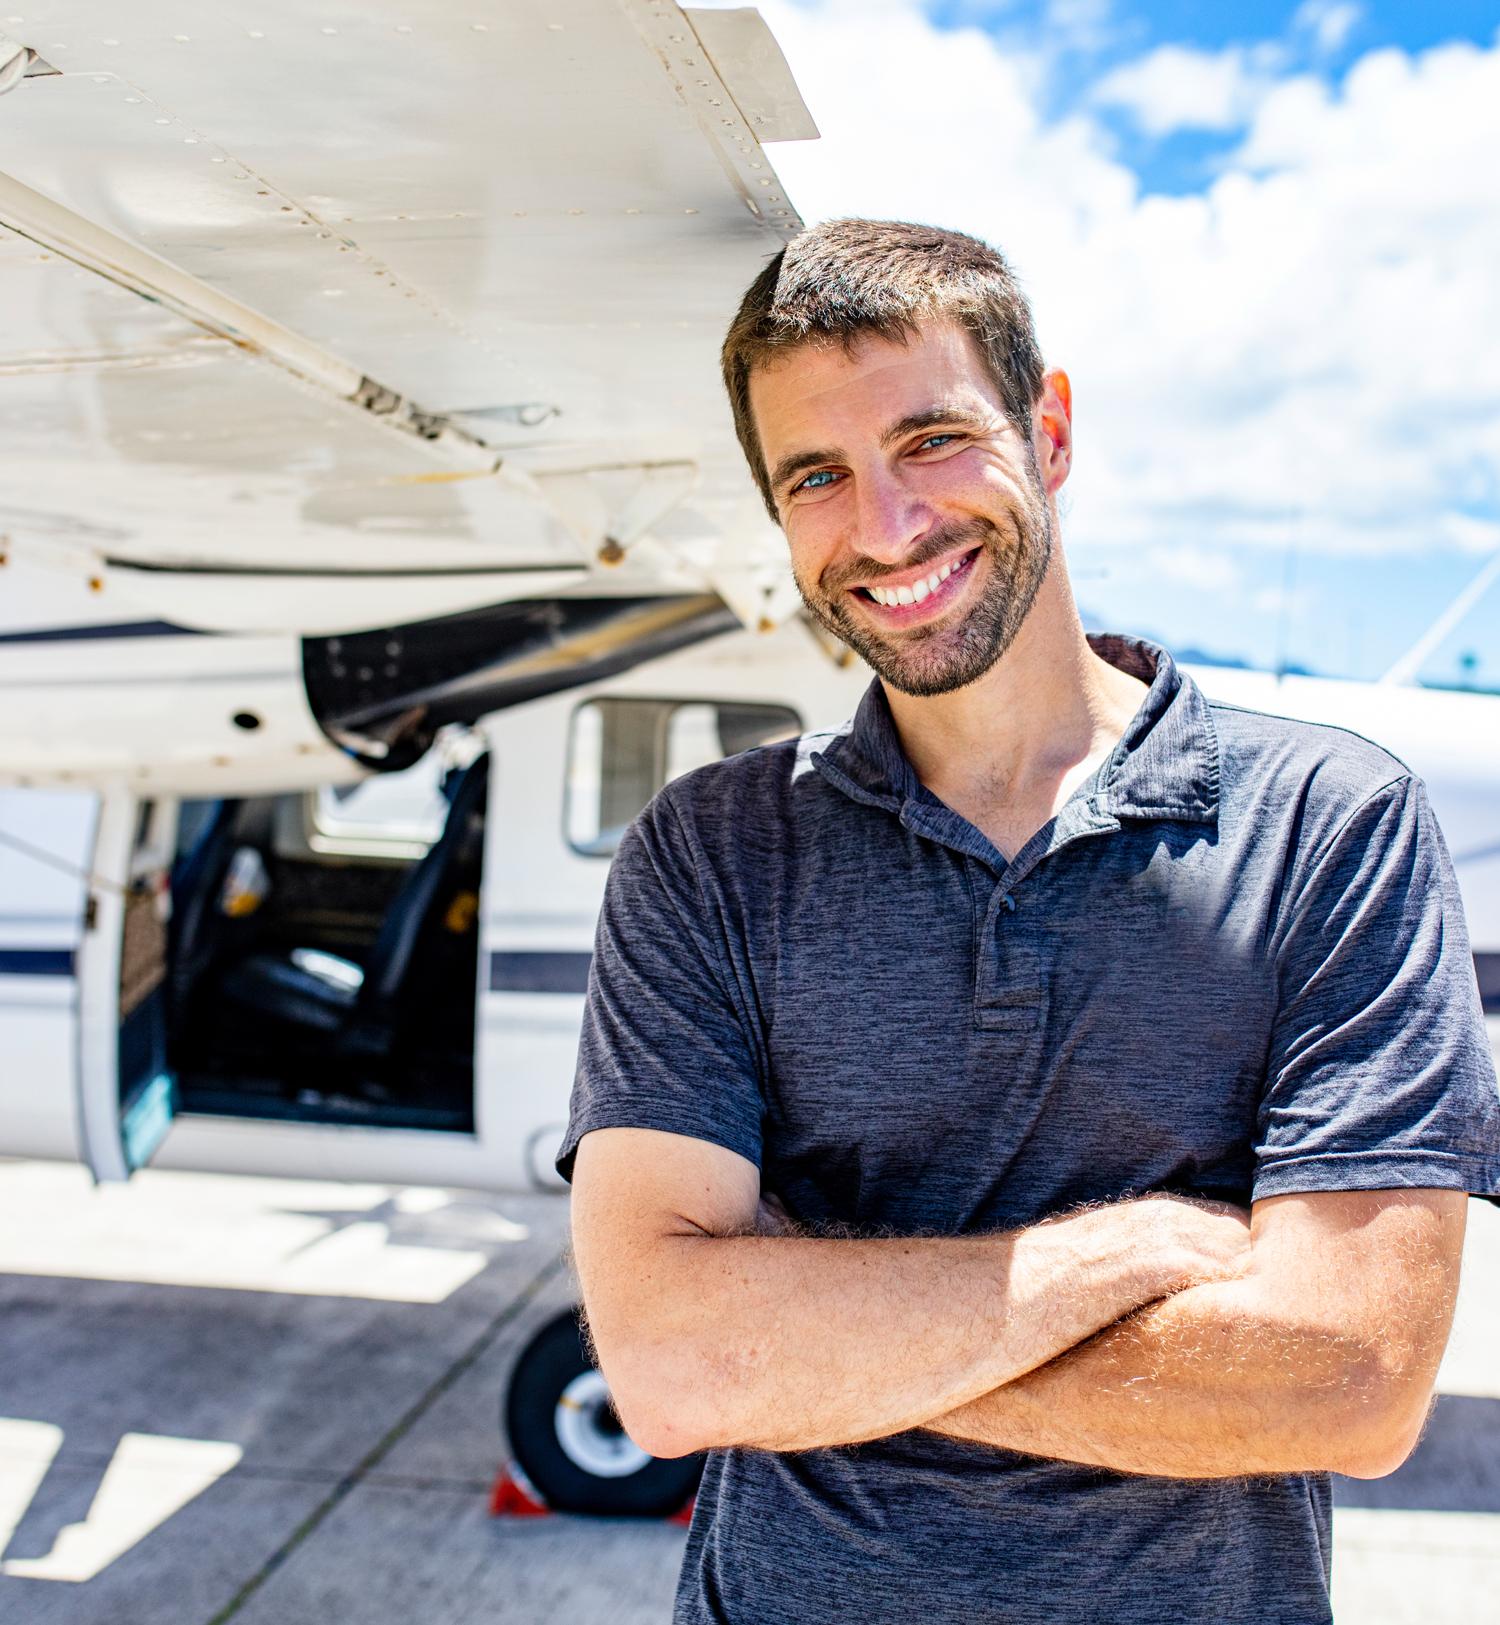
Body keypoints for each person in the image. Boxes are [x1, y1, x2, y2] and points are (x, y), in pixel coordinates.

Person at [556, 219, 1500, 1624]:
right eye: (816, 474)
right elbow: (677, 1368)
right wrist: (1122, 1255)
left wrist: (817, 1337)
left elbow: (1348, 1381)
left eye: (932, 438)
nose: (885, 526)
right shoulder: (708, 854)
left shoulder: (1332, 823)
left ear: (1048, 428)